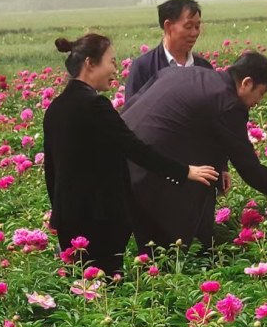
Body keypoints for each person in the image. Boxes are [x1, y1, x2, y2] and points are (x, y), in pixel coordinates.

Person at [42, 33, 219, 277]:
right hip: (100, 219)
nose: (115, 69)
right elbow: (136, 149)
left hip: (68, 220)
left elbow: (51, 170)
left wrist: (58, 214)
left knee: (80, 287)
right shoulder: (95, 106)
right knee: (105, 288)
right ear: (90, 63)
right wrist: (185, 171)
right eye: (112, 61)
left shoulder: (56, 108)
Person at [122, 51, 267, 252]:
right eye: (262, 92)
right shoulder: (229, 103)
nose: (259, 101)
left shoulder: (191, 74)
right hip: (148, 170)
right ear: (246, 83)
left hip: (124, 151)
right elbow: (249, 168)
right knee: (164, 252)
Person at [124, 0, 213, 101]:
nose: (194, 33)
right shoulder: (144, 67)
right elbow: (132, 112)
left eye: (197, 27)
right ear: (168, 26)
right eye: (188, 27)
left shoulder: (204, 67)